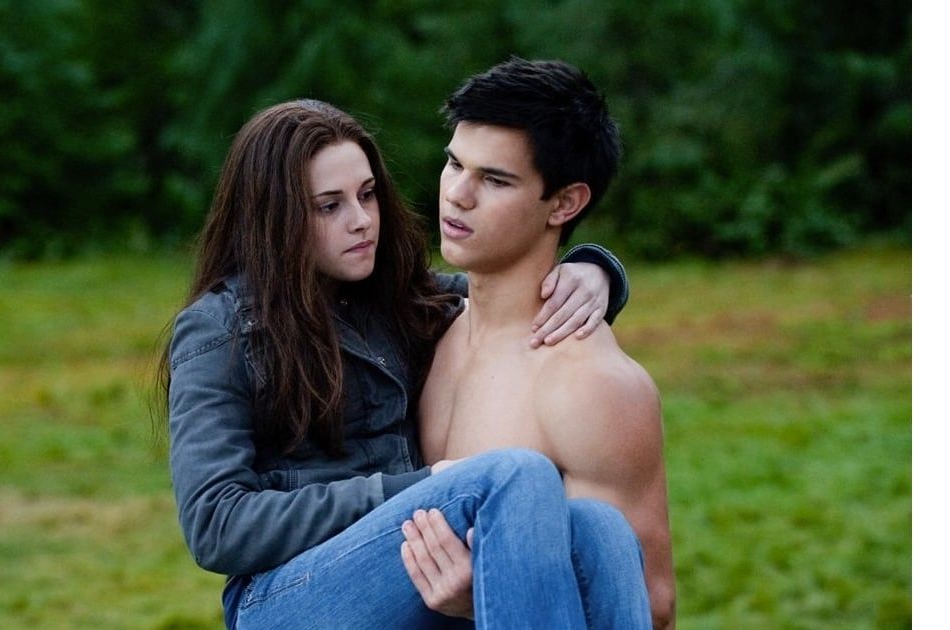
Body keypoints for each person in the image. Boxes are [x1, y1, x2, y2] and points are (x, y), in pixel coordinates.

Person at [163, 98, 649, 629]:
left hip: (409, 561)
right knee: (515, 474)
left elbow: (502, 297)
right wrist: (411, 489)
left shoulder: (394, 298)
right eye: (329, 206)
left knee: (599, 530)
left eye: (367, 195)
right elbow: (215, 525)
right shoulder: (220, 330)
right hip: (284, 598)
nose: (361, 221)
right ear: (274, 217)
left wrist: (596, 271)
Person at [404, 59, 676, 629]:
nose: (457, 195)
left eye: (495, 180)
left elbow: (648, 606)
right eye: (454, 164)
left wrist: (495, 595)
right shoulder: (429, 327)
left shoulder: (591, 385)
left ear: (565, 203)